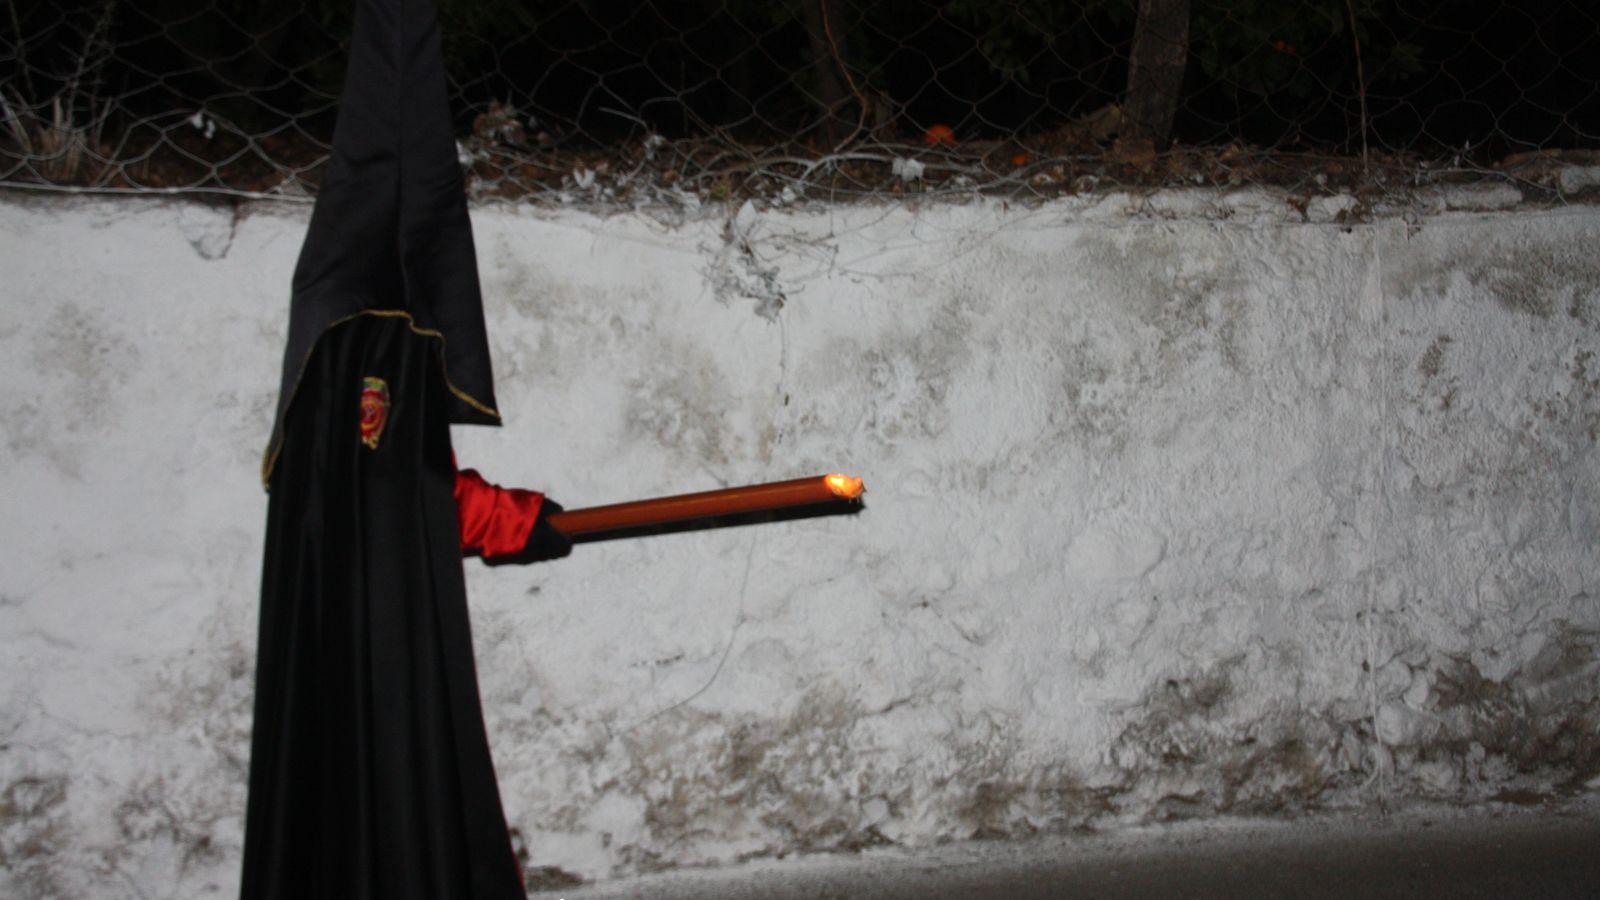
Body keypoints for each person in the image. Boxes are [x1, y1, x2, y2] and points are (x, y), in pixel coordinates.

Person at [239, 0, 565, 896]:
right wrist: (513, 520)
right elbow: (400, 496)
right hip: (374, 657)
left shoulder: (330, 334)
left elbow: (389, 490)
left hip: (345, 632)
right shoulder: (372, 334)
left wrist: (510, 519)